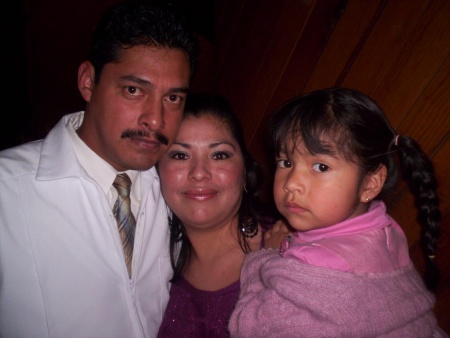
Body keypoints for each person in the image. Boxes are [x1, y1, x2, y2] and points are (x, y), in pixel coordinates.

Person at [0, 1, 198, 337]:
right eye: (134, 90)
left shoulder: (180, 189)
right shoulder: (7, 190)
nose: (156, 119)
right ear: (88, 82)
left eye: (173, 98)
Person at [229, 87, 448, 337]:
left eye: (321, 166)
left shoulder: (315, 266)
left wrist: (265, 257)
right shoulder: (387, 228)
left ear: (370, 183)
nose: (291, 183)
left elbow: (251, 329)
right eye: (285, 162)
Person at [156, 93, 286, 337]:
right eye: (180, 155)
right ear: (157, 173)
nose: (199, 173)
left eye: (219, 155)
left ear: (244, 169)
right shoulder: (150, 269)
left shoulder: (294, 250)